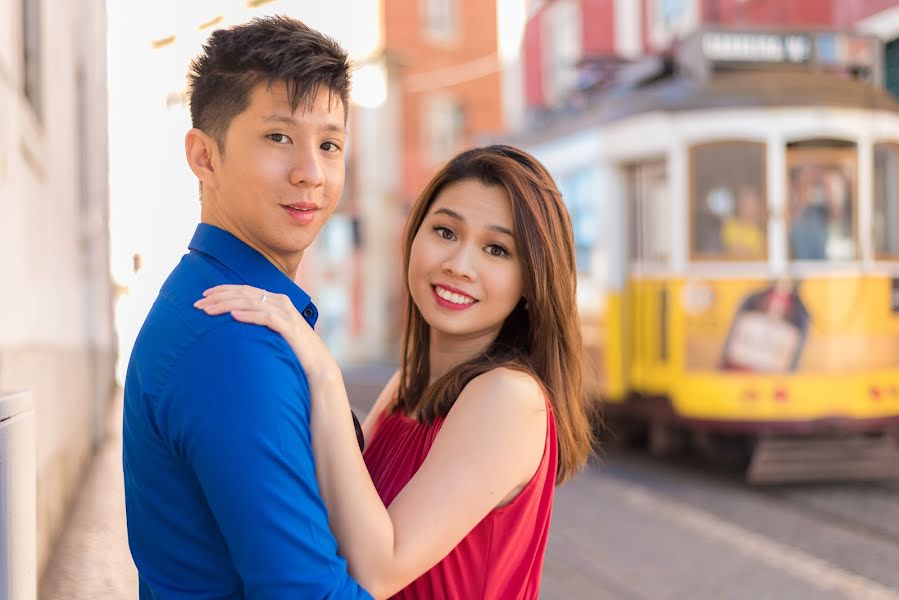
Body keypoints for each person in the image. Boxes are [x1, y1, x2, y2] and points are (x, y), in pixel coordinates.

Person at [197, 145, 597, 598]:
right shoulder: (407, 387)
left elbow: (378, 570)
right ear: (414, 236)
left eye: (496, 249)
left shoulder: (508, 397)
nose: (458, 265)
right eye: (445, 231)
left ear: (532, 281)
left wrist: (324, 374)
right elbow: (335, 515)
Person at [122, 17, 371, 598]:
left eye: (329, 144)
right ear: (204, 156)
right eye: (279, 137)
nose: (311, 172)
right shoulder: (231, 339)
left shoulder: (236, 308)